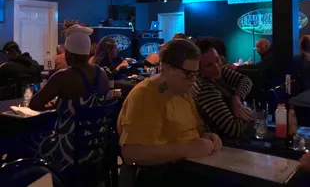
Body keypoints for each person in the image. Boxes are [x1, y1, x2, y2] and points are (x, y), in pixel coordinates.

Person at [118, 39, 222, 169]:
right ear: (167, 68)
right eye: (188, 73)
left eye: (195, 73)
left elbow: (194, 131)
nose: (193, 79)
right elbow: (132, 153)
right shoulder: (145, 95)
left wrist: (207, 137)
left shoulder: (182, 91)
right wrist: (187, 149)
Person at [29, 23, 109, 173]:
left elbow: (34, 104)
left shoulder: (63, 76)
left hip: (69, 151)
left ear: (69, 54)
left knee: (27, 139)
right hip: (97, 146)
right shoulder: (102, 73)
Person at [192, 38, 254, 139]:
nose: (216, 68)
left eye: (217, 60)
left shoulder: (217, 71)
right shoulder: (204, 89)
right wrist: (250, 114)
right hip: (223, 146)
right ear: (197, 69)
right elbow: (233, 129)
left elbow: (246, 80)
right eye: (208, 65)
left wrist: (236, 99)